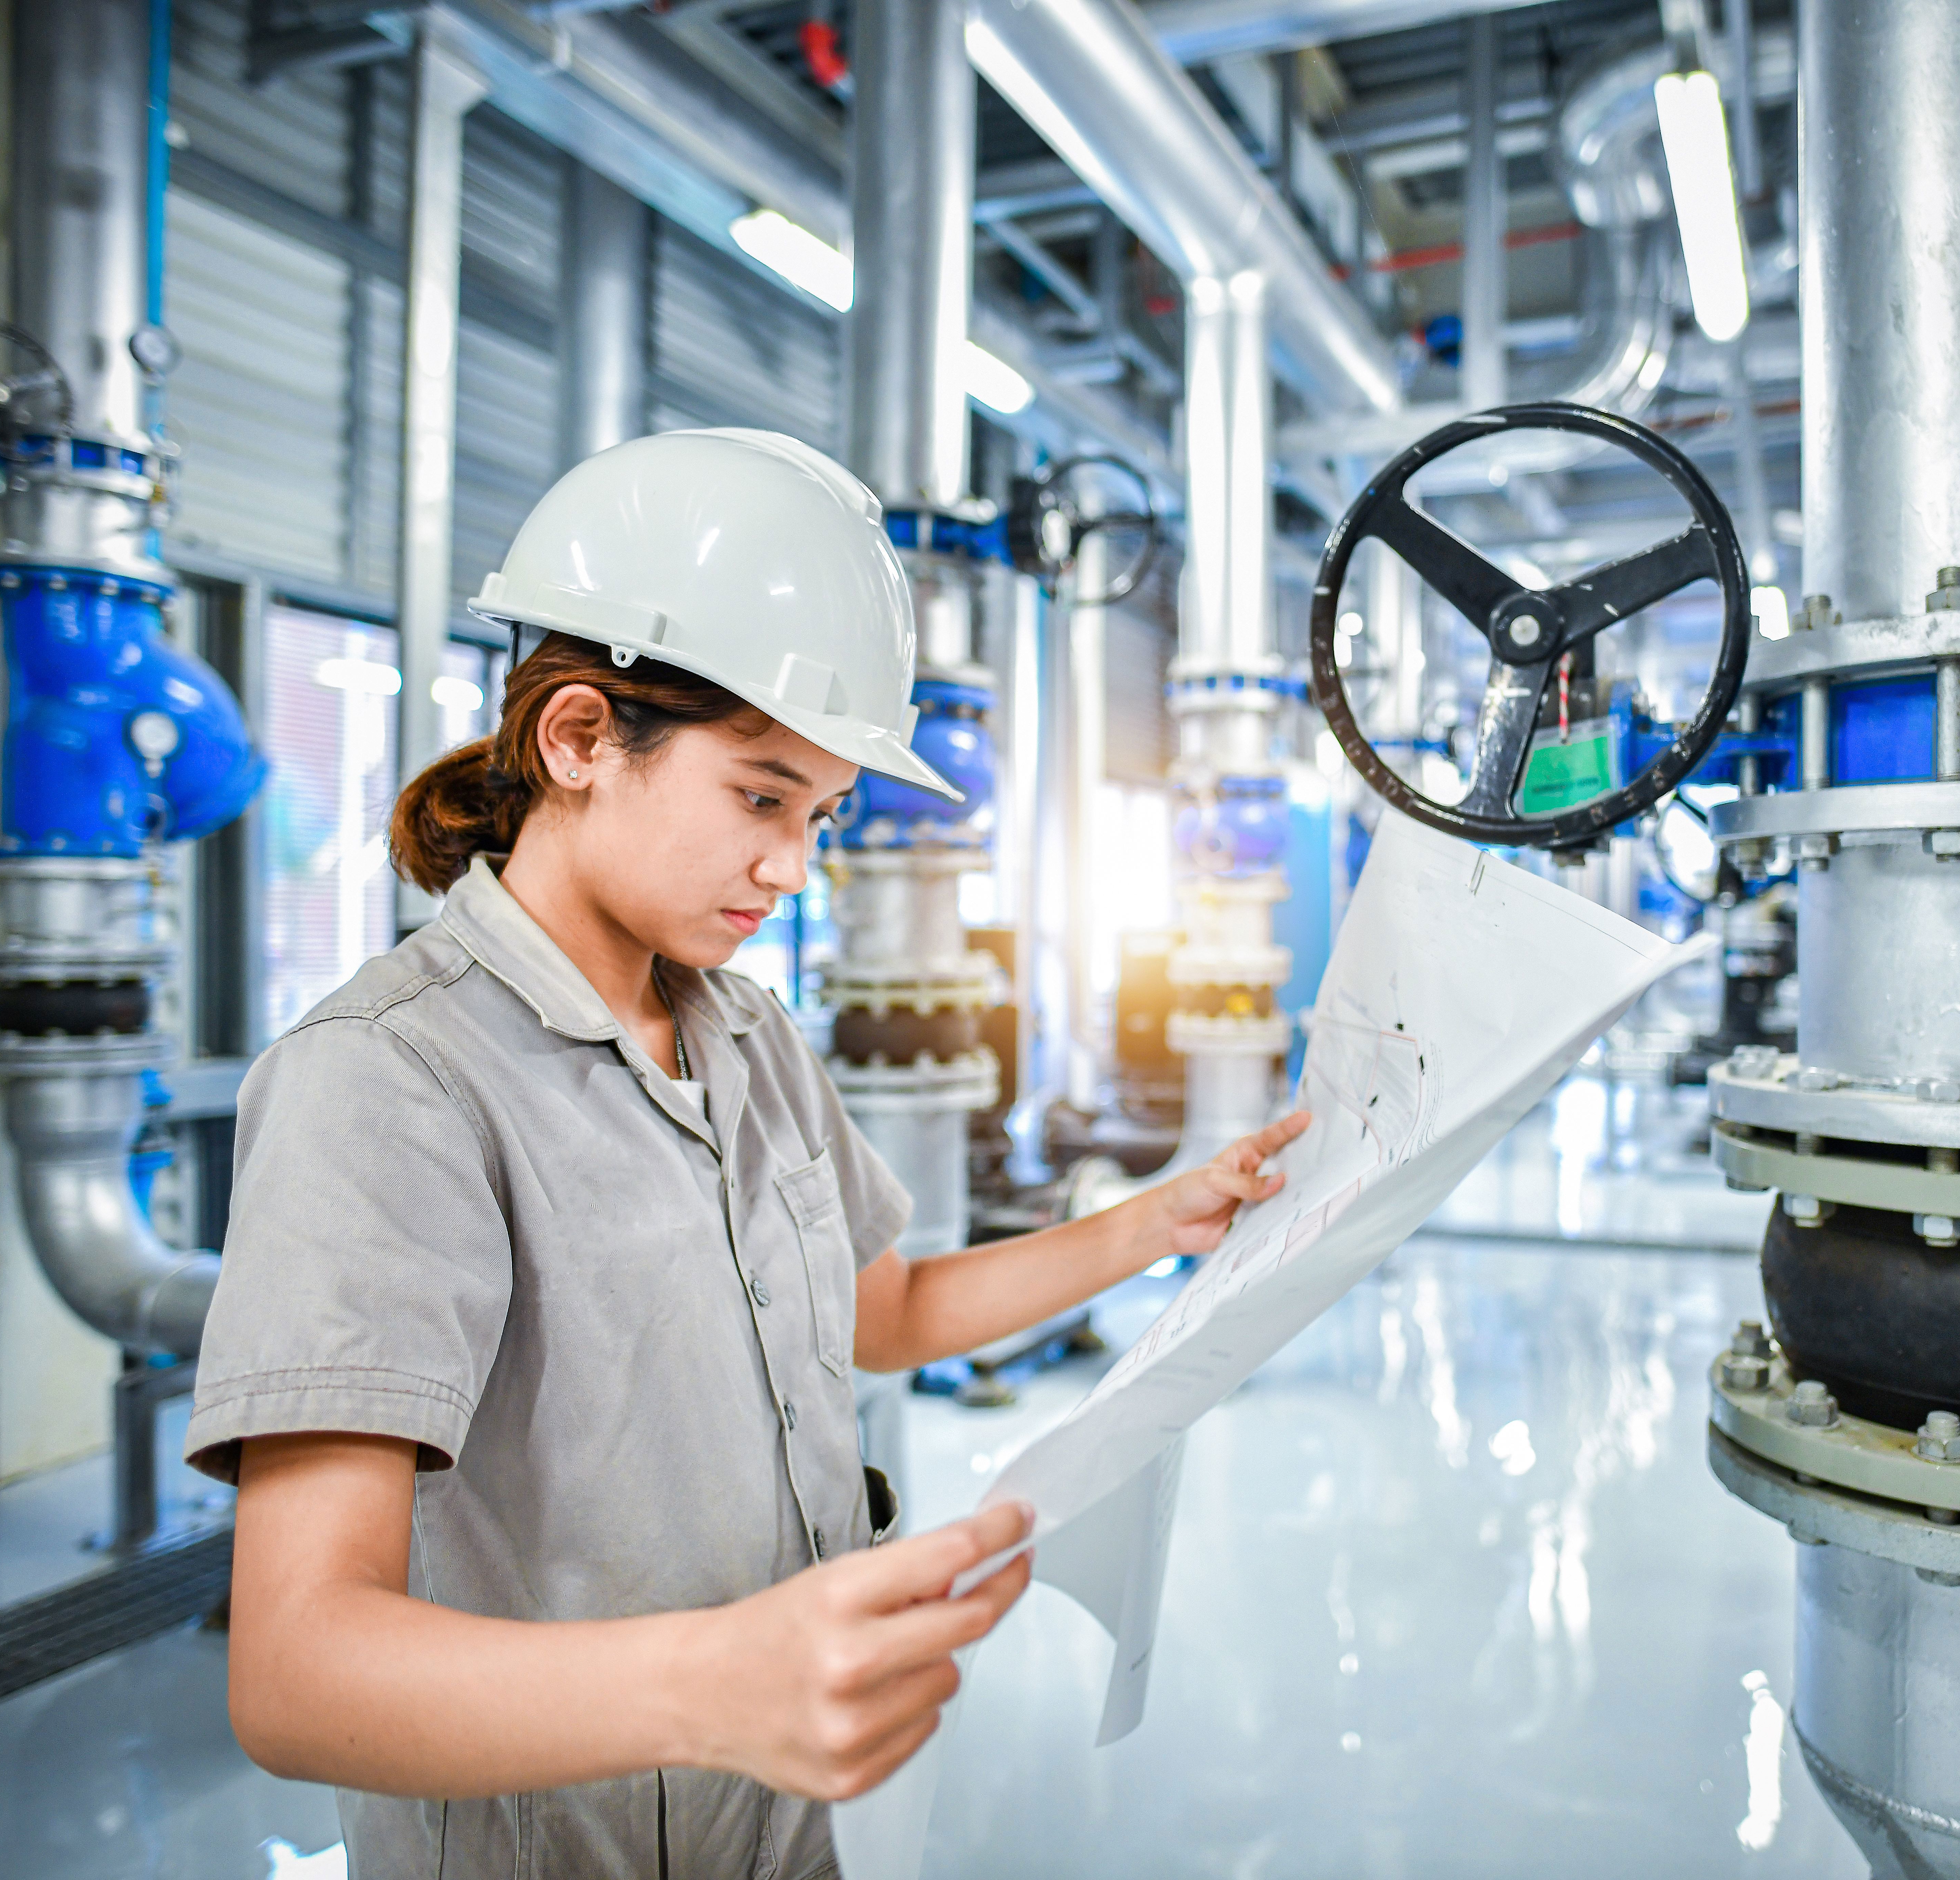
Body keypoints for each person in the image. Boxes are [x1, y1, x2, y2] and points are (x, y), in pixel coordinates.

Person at [185, 429, 1308, 1878]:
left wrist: (1164, 1217)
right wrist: (719, 1684)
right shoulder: (389, 1081)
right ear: (578, 737)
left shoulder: (743, 1035)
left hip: (777, 1828)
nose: (792, 867)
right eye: (762, 797)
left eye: (822, 816)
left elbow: (878, 1308)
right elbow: (296, 1669)